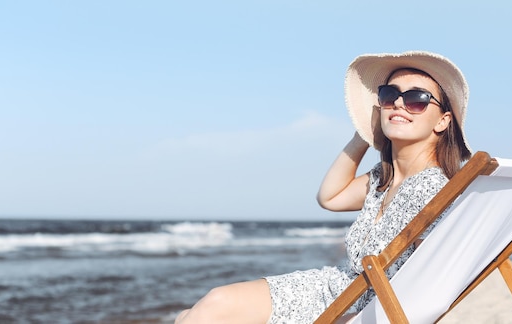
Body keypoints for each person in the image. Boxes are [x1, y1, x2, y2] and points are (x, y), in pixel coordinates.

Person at [174, 50, 472, 324]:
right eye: (389, 94)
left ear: (443, 121)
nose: (398, 103)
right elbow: (330, 197)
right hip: (334, 289)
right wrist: (365, 134)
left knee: (212, 308)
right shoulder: (383, 178)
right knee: (193, 313)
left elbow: (429, 284)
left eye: (416, 98)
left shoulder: (433, 191)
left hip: (364, 307)